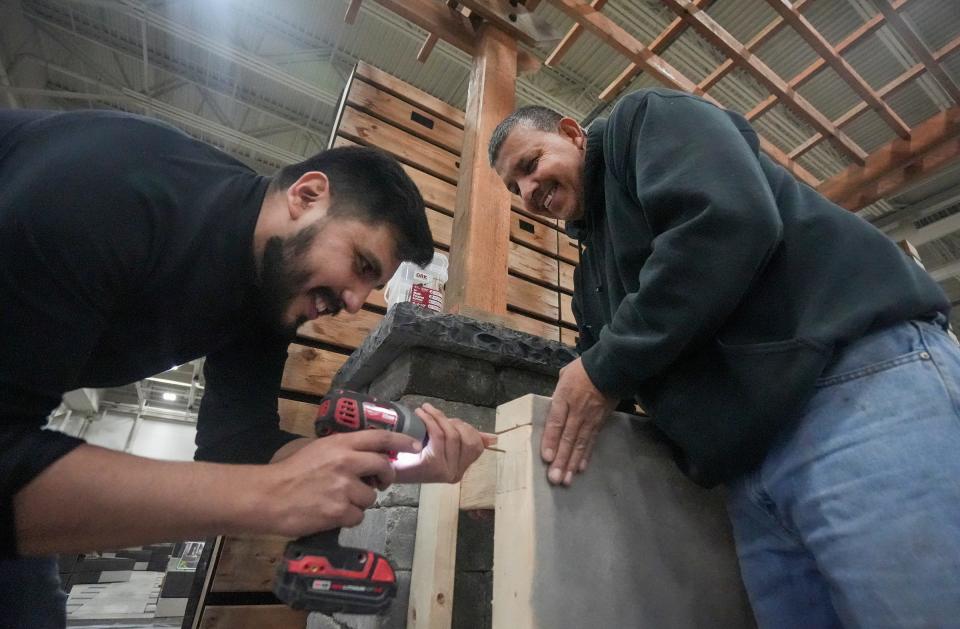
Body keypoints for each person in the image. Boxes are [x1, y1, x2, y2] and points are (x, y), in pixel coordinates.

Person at [0, 108, 491, 628]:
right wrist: (268, 497)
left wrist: (404, 462)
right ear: (307, 196)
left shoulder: (266, 294)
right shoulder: (105, 190)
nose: (355, 302)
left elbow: (235, 443)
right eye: (362, 266)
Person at [488, 89, 960, 627]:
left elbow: (725, 220)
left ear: (573, 133)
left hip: (851, 394)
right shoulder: (588, 281)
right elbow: (603, 381)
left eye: (530, 164)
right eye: (514, 187)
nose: (528, 191)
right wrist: (513, 465)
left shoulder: (642, 122)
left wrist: (605, 369)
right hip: (747, 478)